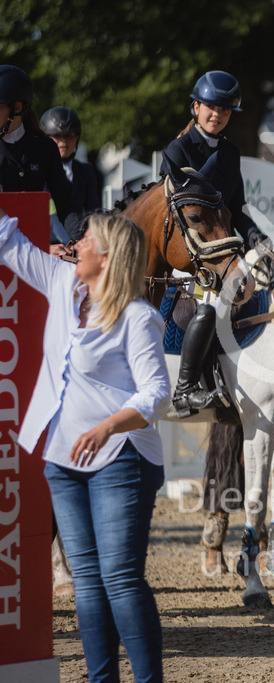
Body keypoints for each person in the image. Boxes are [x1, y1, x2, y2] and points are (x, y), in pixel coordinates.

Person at [0, 208, 170, 682]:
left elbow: (156, 393)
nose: (76, 243)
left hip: (122, 459)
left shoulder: (137, 317)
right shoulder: (62, 284)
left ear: (108, 254)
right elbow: (6, 242)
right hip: (62, 458)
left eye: (87, 238)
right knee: (88, 585)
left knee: (119, 579)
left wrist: (107, 427)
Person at [160, 69, 266, 415]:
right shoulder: (176, 151)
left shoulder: (231, 153)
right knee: (212, 303)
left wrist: (256, 237)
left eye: (224, 111)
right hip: (184, 251)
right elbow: (177, 215)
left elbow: (236, 209)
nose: (217, 115)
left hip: (219, 251)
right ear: (196, 107)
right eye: (210, 108)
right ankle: (186, 387)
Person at [0, 65, 83, 247]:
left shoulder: (45, 148)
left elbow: (65, 204)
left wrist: (78, 240)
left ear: (17, 107)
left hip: (34, 246)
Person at [41, 106, 102, 218]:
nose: (64, 142)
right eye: (57, 136)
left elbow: (94, 210)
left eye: (69, 136)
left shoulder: (86, 171)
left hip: (78, 231)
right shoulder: (39, 170)